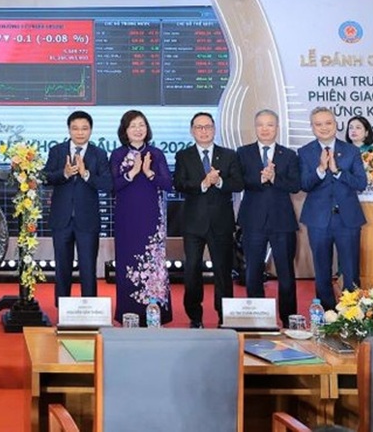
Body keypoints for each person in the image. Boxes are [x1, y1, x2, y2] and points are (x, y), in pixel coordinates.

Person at [173, 112, 244, 328]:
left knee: (222, 272)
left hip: (221, 222)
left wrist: (219, 181)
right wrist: (203, 183)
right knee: (192, 271)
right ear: (192, 131)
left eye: (208, 127)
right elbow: (179, 184)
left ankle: (224, 317)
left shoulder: (229, 155)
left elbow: (238, 184)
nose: (203, 131)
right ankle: (195, 317)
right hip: (193, 223)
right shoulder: (184, 156)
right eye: (199, 127)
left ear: (214, 129)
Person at [236, 109, 301, 327]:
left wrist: (274, 178)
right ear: (255, 127)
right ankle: (259, 320)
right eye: (261, 125)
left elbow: (295, 185)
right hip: (253, 220)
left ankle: (289, 320)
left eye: (270, 125)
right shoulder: (243, 153)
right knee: (253, 273)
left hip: (282, 222)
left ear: (277, 128)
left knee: (286, 274)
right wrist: (260, 179)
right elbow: (238, 181)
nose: (265, 129)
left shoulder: (289, 155)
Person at [298, 107, 367, 311]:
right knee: (322, 271)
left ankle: (352, 314)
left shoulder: (351, 151)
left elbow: (361, 183)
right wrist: (321, 169)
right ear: (312, 127)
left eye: (328, 123)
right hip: (318, 220)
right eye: (318, 124)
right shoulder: (305, 152)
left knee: (351, 271)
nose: (324, 127)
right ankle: (328, 315)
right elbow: (304, 184)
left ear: (336, 124)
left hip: (348, 220)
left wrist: (337, 171)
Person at [109, 110, 173, 326]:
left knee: (153, 263)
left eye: (141, 125)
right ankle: (128, 313)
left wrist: (148, 172)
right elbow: (112, 186)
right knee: (127, 263)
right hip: (127, 219)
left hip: (151, 218)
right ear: (125, 131)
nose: (138, 129)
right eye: (133, 126)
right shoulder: (117, 155)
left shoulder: (156, 154)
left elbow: (168, 184)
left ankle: (156, 314)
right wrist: (132, 172)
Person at [44, 110, 112, 304]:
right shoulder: (57, 151)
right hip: (61, 219)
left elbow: (107, 184)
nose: (80, 132)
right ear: (69, 129)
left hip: (87, 221)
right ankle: (62, 310)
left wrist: (86, 174)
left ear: (91, 130)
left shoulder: (99, 154)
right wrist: (64, 173)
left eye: (84, 128)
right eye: (75, 128)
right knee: (62, 268)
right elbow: (45, 177)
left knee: (88, 268)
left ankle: (89, 309)